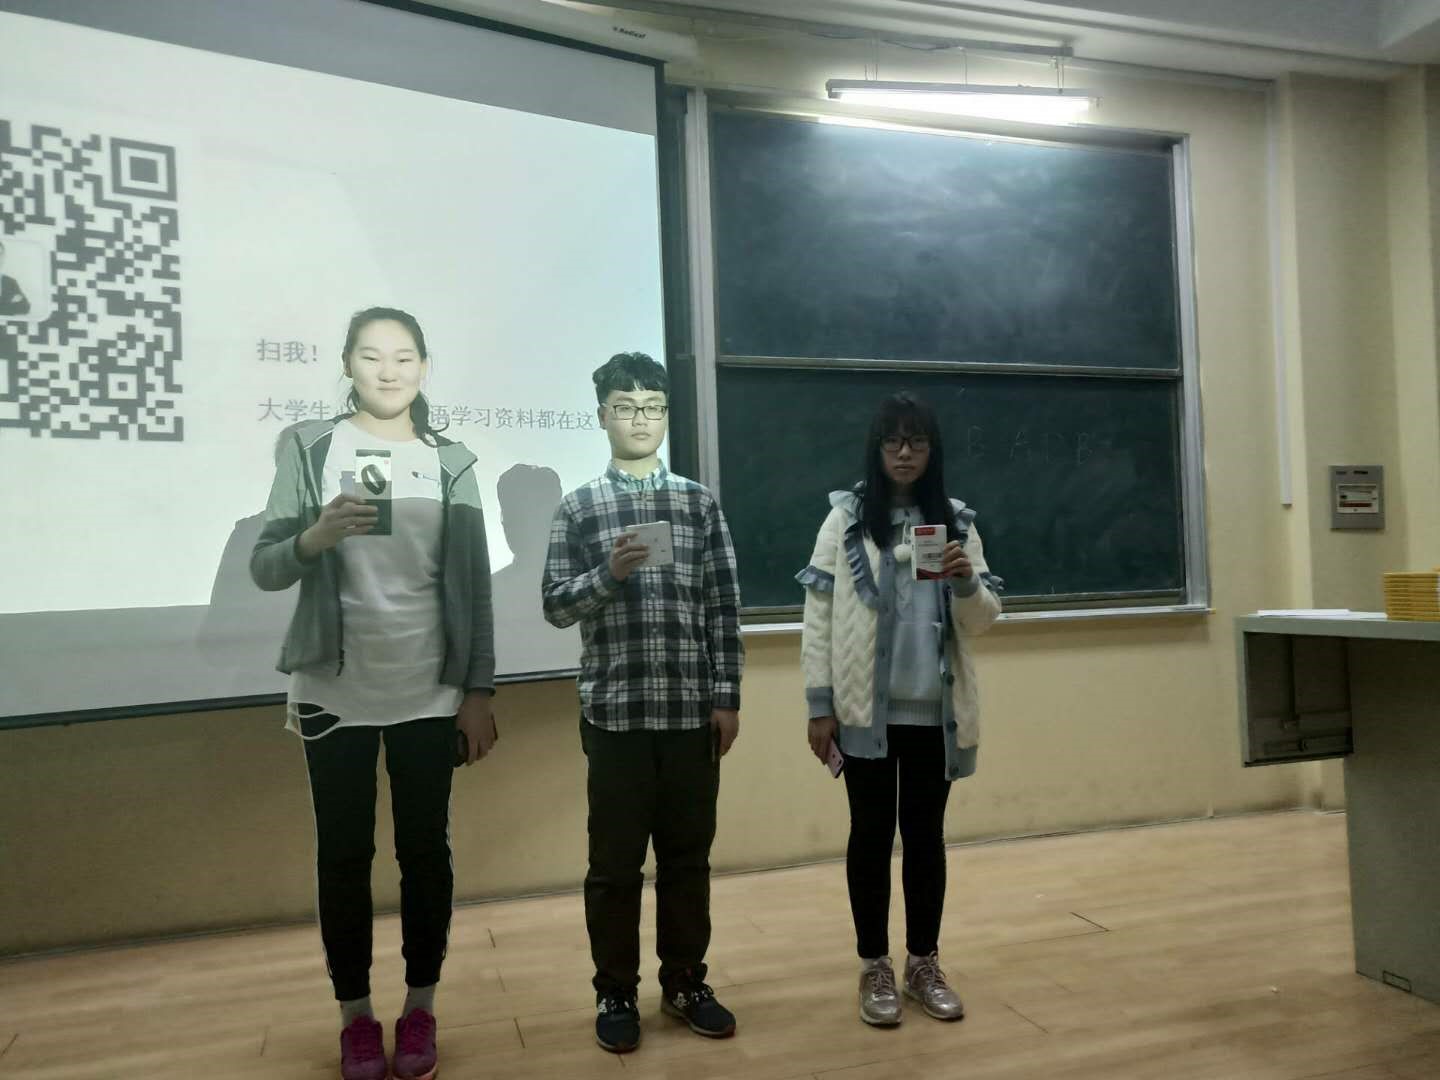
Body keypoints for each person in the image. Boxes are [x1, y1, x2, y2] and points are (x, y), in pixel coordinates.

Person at [250, 307, 497, 1080]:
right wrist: (314, 537)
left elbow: (473, 587)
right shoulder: (310, 447)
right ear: (348, 365)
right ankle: (355, 1018)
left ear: (423, 367)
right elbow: (266, 565)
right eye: (371, 356)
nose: (388, 371)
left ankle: (420, 1007)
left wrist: (478, 690)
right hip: (334, 689)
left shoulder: (451, 461)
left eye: (403, 357)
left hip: (429, 686)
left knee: (426, 854)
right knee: (344, 856)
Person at [542, 352, 744, 1054]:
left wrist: (727, 697)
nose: (640, 420)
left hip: (689, 713)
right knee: (614, 866)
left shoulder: (697, 503)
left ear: (666, 416)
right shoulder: (580, 507)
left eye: (653, 408)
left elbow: (723, 606)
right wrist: (609, 573)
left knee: (688, 860)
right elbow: (555, 605)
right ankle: (615, 991)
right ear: (602, 415)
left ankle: (685, 982)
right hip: (616, 716)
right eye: (626, 408)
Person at [797, 391, 1002, 1028]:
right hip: (865, 713)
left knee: (925, 838)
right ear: (877, 448)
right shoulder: (846, 520)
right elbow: (818, 617)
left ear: (932, 449)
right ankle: (874, 965)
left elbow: (983, 621)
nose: (904, 453)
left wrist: (967, 581)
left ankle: (923, 962)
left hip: (935, 714)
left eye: (916, 441)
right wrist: (820, 704)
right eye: (893, 441)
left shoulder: (958, 522)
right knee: (868, 836)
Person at [0, 240, 32, 316]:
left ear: (4, 257)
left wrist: (3, 306)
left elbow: (25, 307)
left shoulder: (11, 282)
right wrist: (9, 303)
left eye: (0, 254)